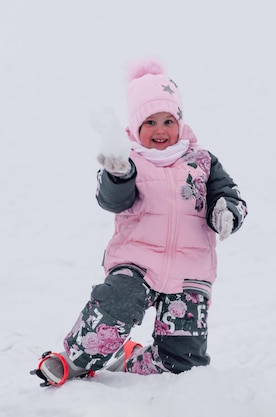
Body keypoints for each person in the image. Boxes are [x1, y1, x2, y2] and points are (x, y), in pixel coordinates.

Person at [32, 59, 247, 386]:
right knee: (118, 301)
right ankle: (74, 359)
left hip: (191, 273)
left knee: (184, 363)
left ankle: (133, 362)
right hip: (137, 263)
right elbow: (112, 201)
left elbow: (228, 193)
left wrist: (227, 211)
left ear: (179, 121)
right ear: (135, 126)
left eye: (167, 120)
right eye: (150, 122)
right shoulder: (128, 160)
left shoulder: (202, 161)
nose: (160, 130)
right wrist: (117, 174)